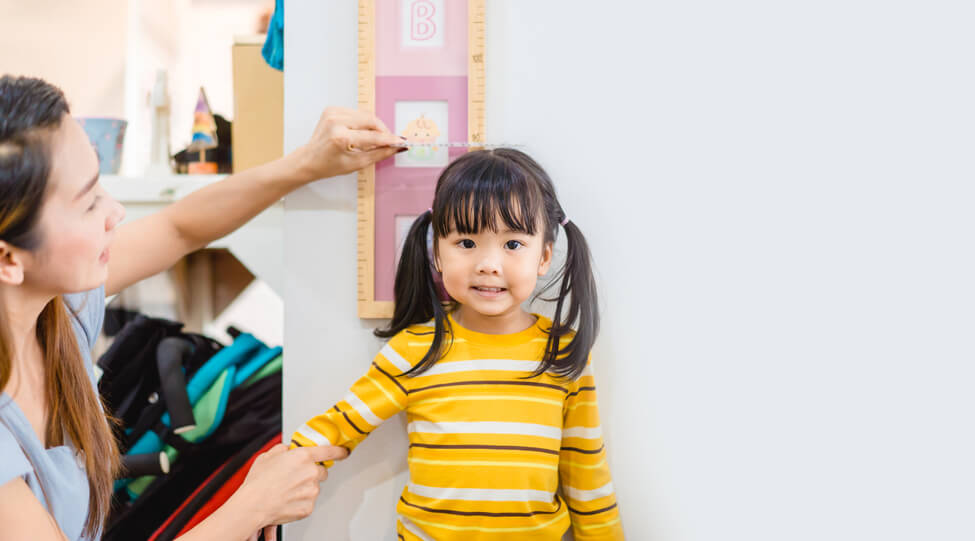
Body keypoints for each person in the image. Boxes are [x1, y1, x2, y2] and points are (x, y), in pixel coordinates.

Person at [0, 75, 404, 541]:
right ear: (9, 259)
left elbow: (179, 228)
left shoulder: (54, 311)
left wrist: (307, 164)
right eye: (88, 203)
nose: (115, 212)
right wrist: (252, 506)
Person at [290, 149, 625, 540]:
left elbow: (587, 474)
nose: (488, 263)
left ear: (545, 255)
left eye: (513, 244)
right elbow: (339, 425)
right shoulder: (414, 350)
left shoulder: (564, 354)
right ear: (437, 253)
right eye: (466, 242)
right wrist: (277, 475)